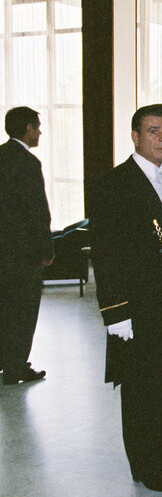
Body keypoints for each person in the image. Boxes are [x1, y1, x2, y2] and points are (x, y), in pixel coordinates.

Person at [90, 104, 162, 492]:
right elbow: (106, 255)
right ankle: (144, 463)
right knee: (140, 389)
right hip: (136, 310)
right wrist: (116, 314)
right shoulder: (113, 184)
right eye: (153, 131)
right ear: (134, 136)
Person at [0, 107, 52, 385]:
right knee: (23, 312)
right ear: (28, 129)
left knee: (3, 309)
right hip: (23, 254)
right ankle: (16, 368)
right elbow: (37, 211)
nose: (40, 132)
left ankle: (3, 361)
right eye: (38, 127)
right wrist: (46, 250)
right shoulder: (29, 163)